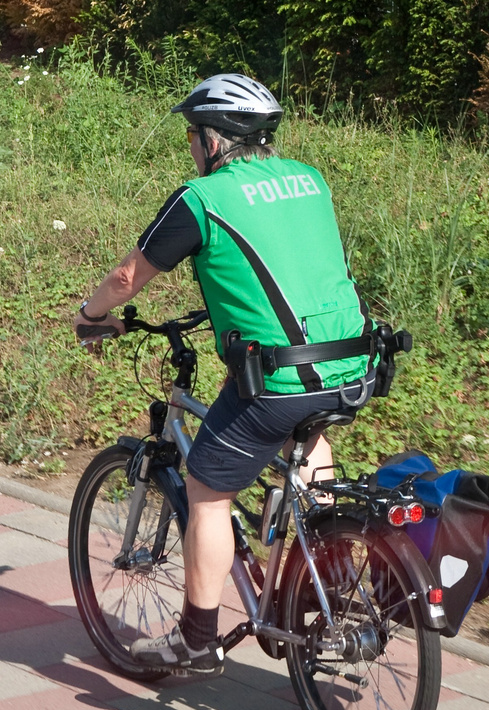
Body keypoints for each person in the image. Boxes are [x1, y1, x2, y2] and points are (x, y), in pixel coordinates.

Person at [72, 73, 374, 676]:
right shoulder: (309, 180)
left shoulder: (203, 199)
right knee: (307, 442)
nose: (190, 147)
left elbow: (130, 278)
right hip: (352, 363)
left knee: (208, 489)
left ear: (214, 140)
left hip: (281, 378)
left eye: (192, 135)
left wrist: (90, 316)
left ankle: (198, 639)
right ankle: (317, 589)